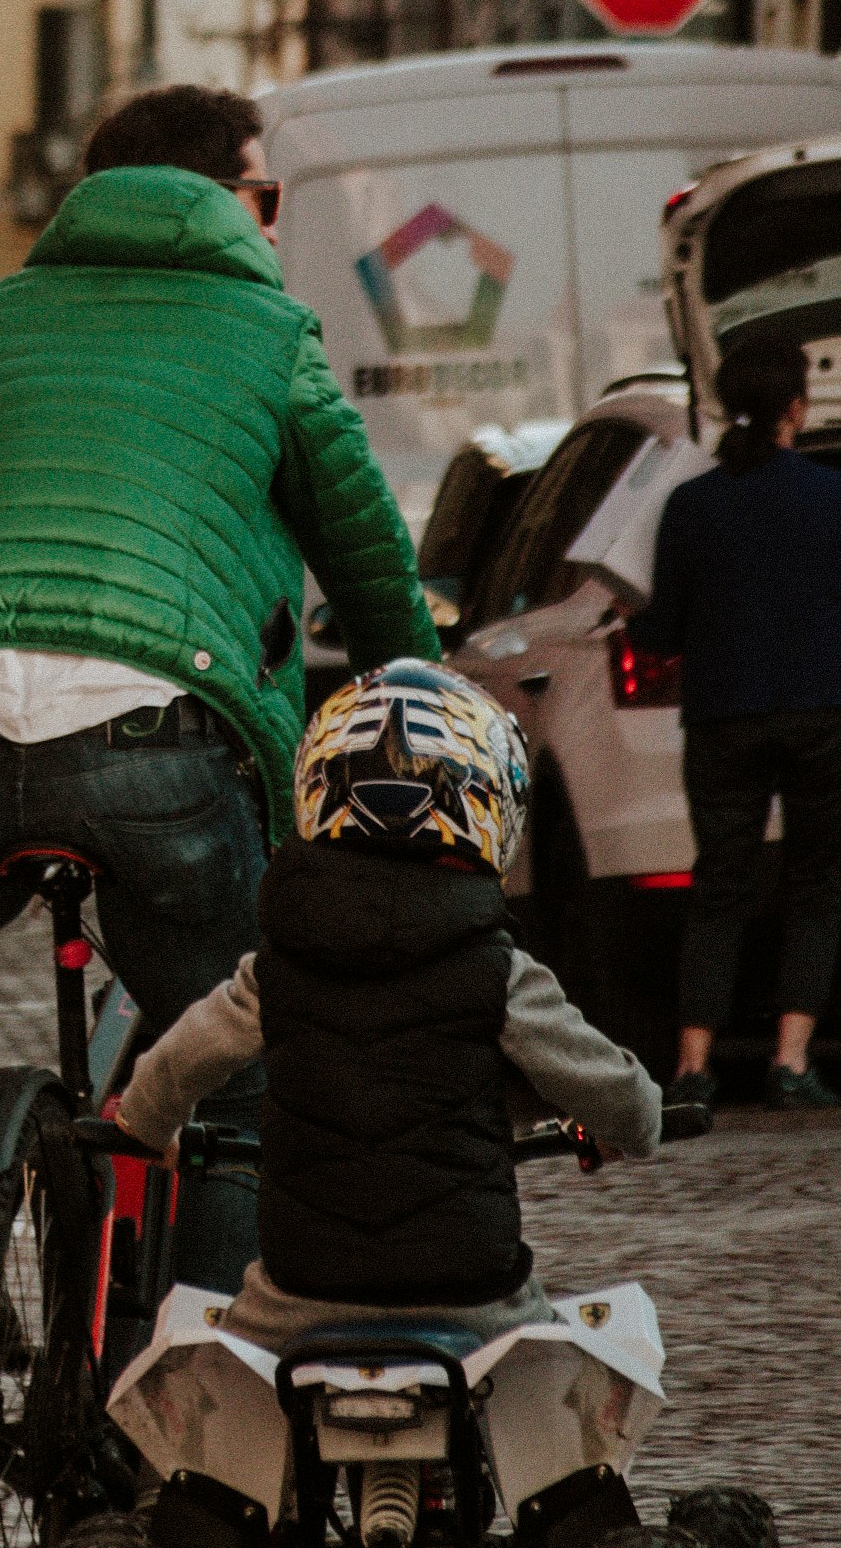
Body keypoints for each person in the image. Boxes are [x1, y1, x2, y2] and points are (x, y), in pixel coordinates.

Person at [0, 80, 438, 1302]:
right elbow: (372, 562)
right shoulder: (272, 338)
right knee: (233, 1064)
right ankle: (191, 1374)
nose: (272, 225)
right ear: (224, 198)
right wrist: (422, 714)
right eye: (264, 195)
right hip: (158, 737)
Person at [115, 661, 661, 1351]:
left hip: (294, 1302)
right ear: (491, 804)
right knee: (576, 1375)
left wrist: (146, 1128)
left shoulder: (276, 968)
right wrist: (630, 1122)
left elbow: (173, 1068)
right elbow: (627, 1105)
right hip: (475, 1303)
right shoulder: (500, 973)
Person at [629, 329, 841, 1113]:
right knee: (818, 884)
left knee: (719, 885)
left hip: (722, 719)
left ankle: (694, 1067)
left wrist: (635, 613)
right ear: (798, 405)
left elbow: (659, 635)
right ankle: (790, 1060)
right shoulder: (831, 498)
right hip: (823, 712)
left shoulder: (690, 506)